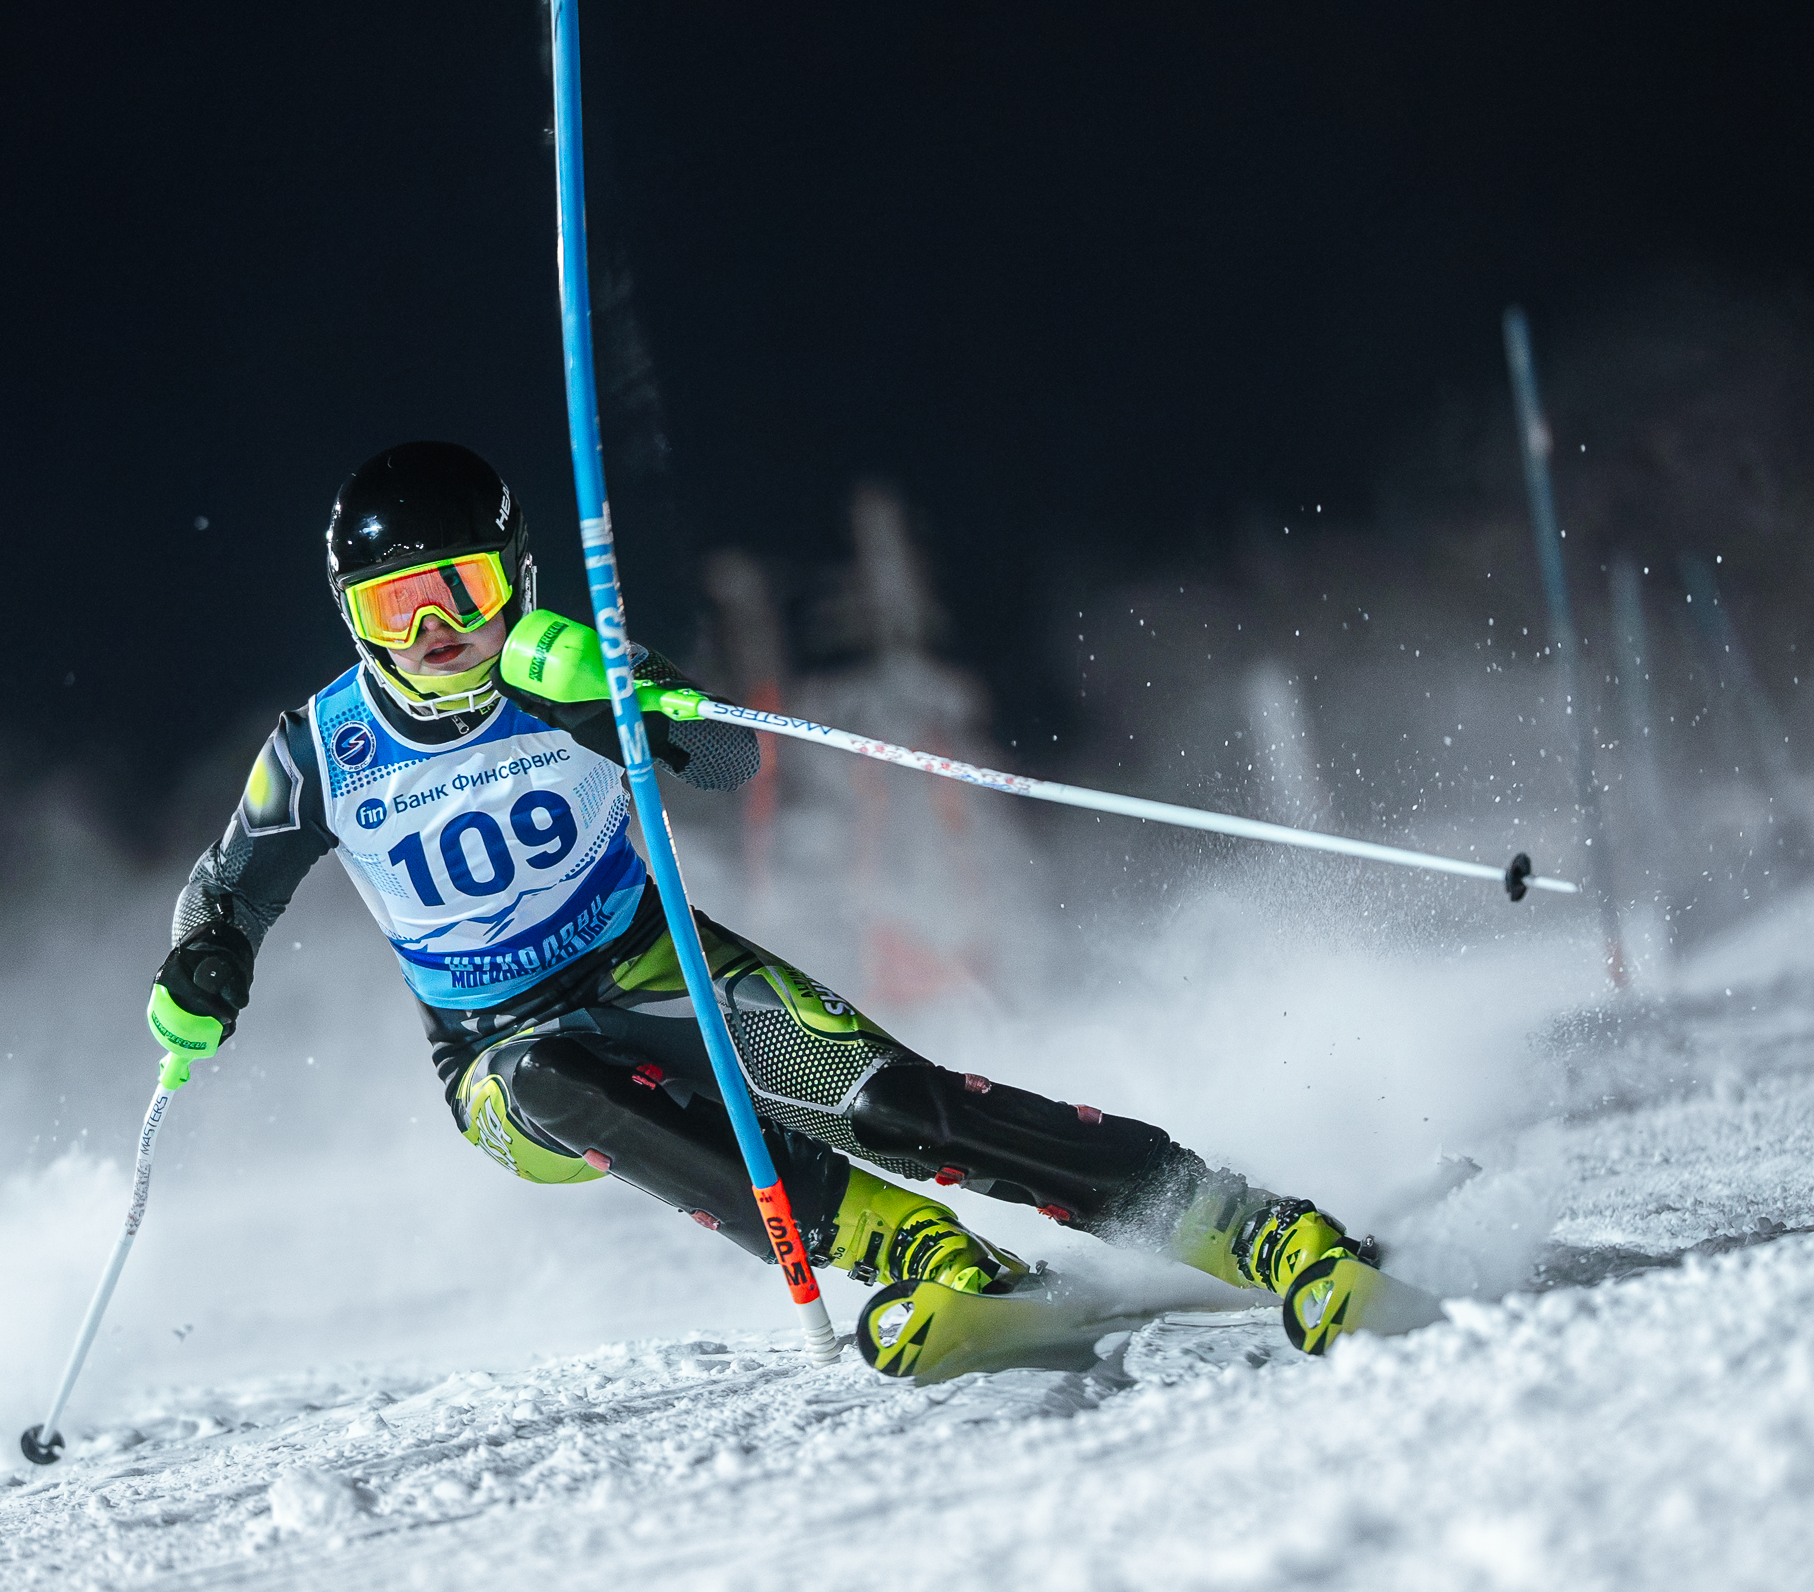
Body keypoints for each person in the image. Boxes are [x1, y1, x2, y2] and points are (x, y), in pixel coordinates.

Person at [149, 440, 1408, 1373]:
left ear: (514, 580)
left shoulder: (573, 669)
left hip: (657, 969)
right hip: (492, 1051)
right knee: (553, 1081)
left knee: (898, 1108)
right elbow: (229, 892)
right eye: (393, 605)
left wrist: (623, 711)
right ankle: (917, 1255)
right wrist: (205, 963)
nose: (433, 631)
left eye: (463, 591)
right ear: (350, 616)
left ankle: (1246, 1227)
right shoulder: (322, 750)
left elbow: (730, 761)